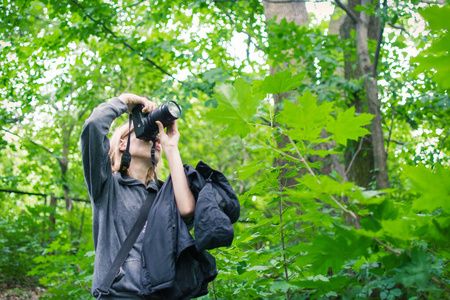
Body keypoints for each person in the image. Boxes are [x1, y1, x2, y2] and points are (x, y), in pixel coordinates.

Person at [81, 93, 195, 299]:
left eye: (156, 136)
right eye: (146, 134)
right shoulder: (106, 186)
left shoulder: (163, 194)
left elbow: (187, 211)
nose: (155, 139)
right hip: (118, 294)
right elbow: (93, 127)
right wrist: (124, 101)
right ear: (123, 144)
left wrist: (171, 148)